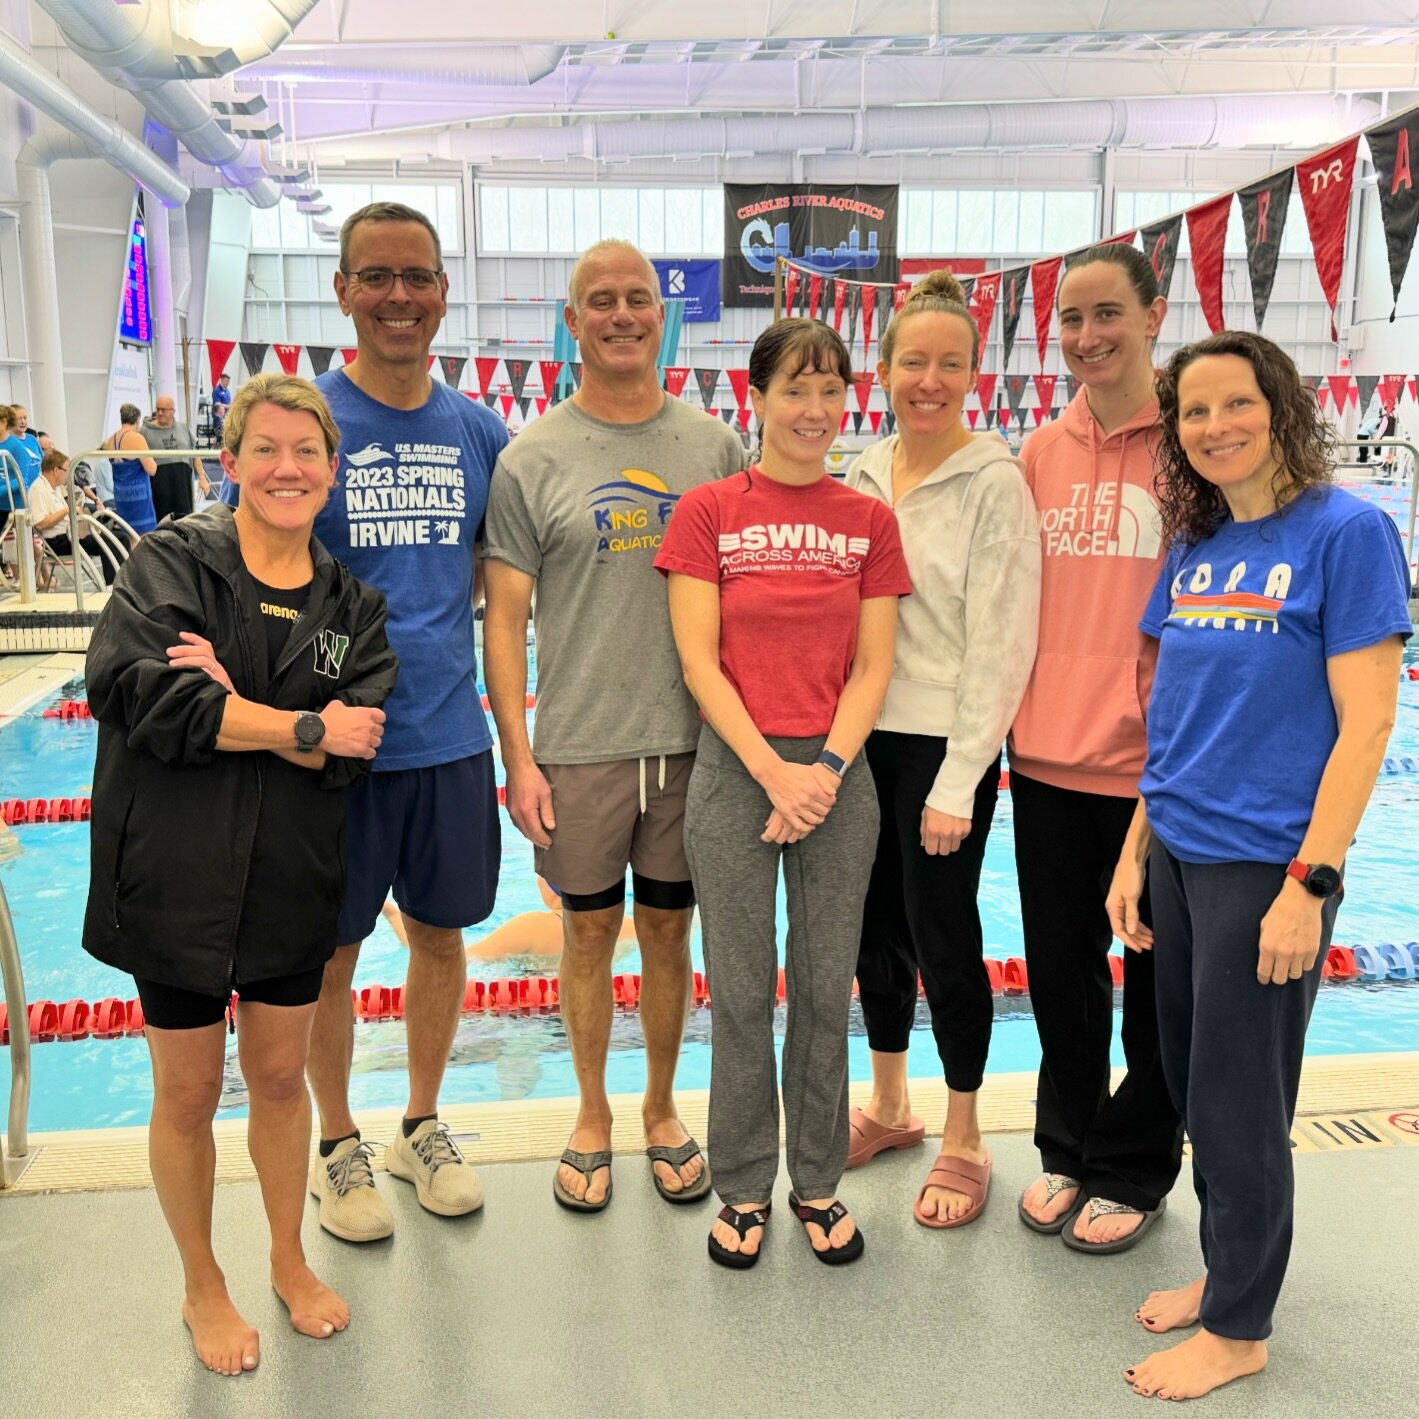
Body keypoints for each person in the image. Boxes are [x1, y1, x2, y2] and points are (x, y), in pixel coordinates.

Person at [1106, 331, 1411, 1401]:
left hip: (1263, 867)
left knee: (1239, 1101)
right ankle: (1226, 1268)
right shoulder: (1197, 543)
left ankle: (1240, 1328)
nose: (1215, 426)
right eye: (1194, 411)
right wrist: (1137, 851)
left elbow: (1369, 725)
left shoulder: (1348, 535)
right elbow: (1173, 717)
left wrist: (1310, 884)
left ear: (1281, 407)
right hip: (1182, 851)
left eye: (1236, 404)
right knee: (1195, 1084)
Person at [82, 373, 396, 1376]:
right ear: (231, 462)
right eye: (265, 449)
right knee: (185, 1092)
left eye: (307, 452)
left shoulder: (354, 607)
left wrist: (235, 707)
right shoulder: (171, 563)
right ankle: (201, 1282)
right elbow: (138, 696)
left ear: (333, 470)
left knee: (274, 1078)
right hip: (173, 875)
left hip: (290, 878)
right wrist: (300, 723)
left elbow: (357, 749)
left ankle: (288, 1259)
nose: (286, 468)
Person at [483, 238, 744, 1213]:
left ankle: (662, 1109)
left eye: (639, 298)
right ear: (574, 321)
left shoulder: (713, 447)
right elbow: (504, 619)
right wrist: (521, 754)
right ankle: (590, 1112)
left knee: (671, 937)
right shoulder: (532, 455)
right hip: (582, 748)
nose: (623, 314)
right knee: (587, 937)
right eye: (603, 300)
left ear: (660, 316)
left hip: (690, 745)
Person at [656, 318, 911, 1268]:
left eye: (830, 388)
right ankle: (743, 1184)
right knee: (739, 993)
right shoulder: (710, 511)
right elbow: (697, 659)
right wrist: (774, 772)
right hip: (736, 769)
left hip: (838, 772)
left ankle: (816, 1181)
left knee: (820, 985)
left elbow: (874, 665)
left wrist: (826, 775)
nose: (814, 408)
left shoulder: (867, 520)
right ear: (754, 398)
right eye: (794, 389)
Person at [305, 200, 507, 1242]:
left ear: (440, 293)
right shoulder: (314, 427)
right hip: (334, 754)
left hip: (450, 740)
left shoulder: (479, 431)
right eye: (375, 277)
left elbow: (508, 581)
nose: (397, 296)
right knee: (331, 956)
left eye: (416, 277)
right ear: (343, 291)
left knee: (439, 939)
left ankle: (419, 1125)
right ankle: (336, 1143)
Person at [843, 270, 1041, 1226]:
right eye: (912, 361)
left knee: (943, 932)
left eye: (949, 363)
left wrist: (962, 776)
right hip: (859, 736)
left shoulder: (992, 481)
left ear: (971, 372)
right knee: (870, 927)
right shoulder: (863, 468)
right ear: (882, 369)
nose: (930, 378)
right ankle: (888, 1104)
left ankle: (964, 1131)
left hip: (939, 749)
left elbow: (1006, 640)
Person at [1009, 243, 1184, 1251]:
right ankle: (1068, 1148)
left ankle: (1138, 1163)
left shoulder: (1192, 447)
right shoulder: (1039, 454)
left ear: (1153, 314)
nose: (1087, 337)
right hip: (1047, 759)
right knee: (1061, 970)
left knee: (1157, 981)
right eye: (1071, 318)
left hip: (1157, 770)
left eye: (1107, 313)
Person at [28, 448, 119, 584]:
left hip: (71, 533)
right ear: (55, 470)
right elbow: (40, 524)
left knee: (120, 537)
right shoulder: (38, 489)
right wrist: (67, 511)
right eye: (67, 470)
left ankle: (122, 583)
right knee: (111, 542)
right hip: (58, 541)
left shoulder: (56, 488)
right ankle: (114, 585)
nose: (68, 475)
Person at [143, 395, 211, 522]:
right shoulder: (145, 432)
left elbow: (194, 454)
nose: (160, 413)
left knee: (185, 523)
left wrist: (202, 477)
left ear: (173, 411)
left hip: (182, 487)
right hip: (159, 488)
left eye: (164, 410)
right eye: (158, 409)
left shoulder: (184, 428)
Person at [102, 403, 159, 537]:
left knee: (129, 538)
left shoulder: (110, 441)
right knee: (144, 538)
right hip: (138, 497)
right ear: (137, 420)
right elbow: (152, 469)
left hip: (121, 497)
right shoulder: (136, 438)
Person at [8, 404, 42, 487]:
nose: (23, 421)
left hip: (37, 489)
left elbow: (42, 461)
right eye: (19, 419)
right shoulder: (9, 442)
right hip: (21, 491)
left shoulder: (32, 439)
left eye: (25, 418)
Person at [211, 372, 233, 440]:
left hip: (227, 417)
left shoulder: (228, 391)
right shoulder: (217, 390)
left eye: (228, 382)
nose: (228, 383)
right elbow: (217, 404)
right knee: (220, 436)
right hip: (219, 418)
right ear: (221, 380)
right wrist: (229, 406)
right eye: (226, 381)